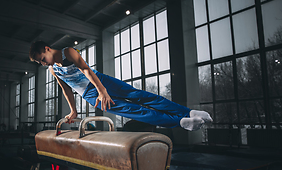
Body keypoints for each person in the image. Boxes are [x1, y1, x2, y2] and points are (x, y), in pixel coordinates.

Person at [29, 41, 213, 131]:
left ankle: (188, 112)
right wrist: (74, 111)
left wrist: (102, 90)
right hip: (89, 95)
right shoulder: (54, 70)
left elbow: (86, 70)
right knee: (133, 110)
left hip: (100, 81)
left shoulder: (68, 52)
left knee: (140, 96)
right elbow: (66, 90)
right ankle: (179, 122)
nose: (44, 63)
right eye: (40, 63)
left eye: (42, 59)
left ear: (46, 49)